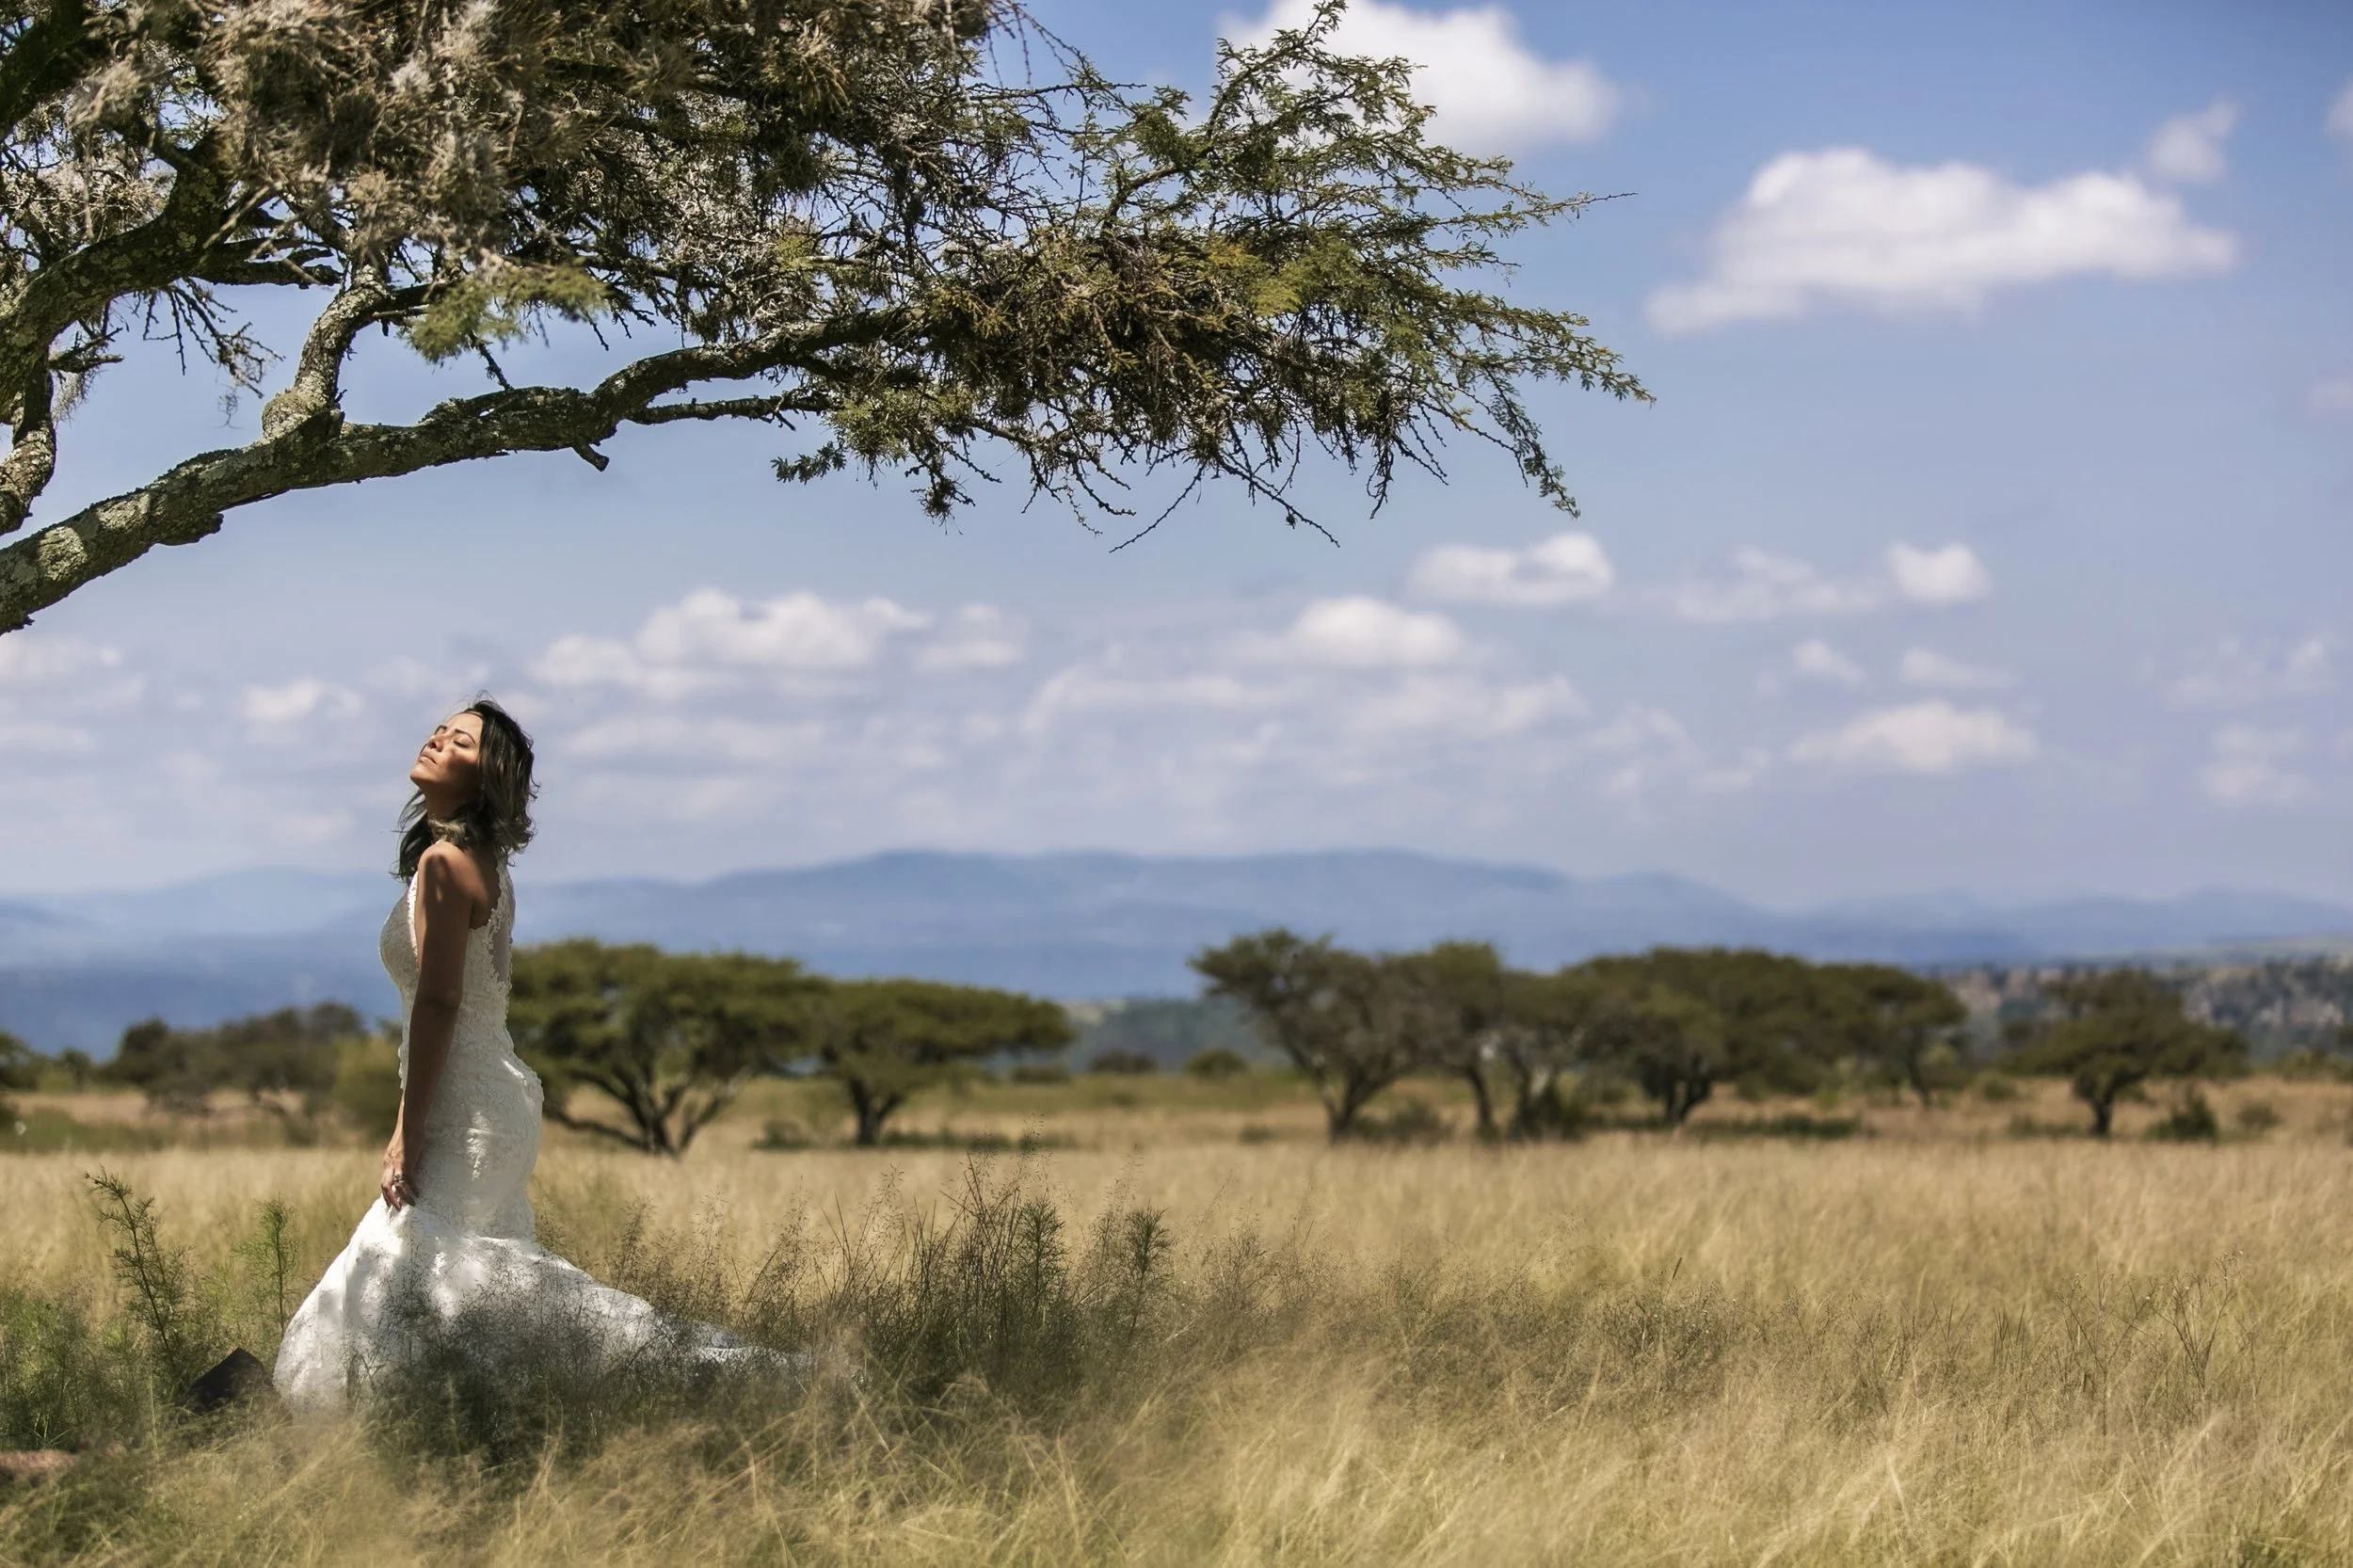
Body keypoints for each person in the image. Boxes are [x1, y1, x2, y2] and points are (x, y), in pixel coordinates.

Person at [275, 698, 764, 1415]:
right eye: (440, 728)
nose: (438, 737)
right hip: (490, 1105)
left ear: (486, 776)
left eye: (461, 740)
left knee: (405, 1273)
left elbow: (440, 1003)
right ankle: (503, 1416)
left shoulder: (447, 864)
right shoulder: (480, 863)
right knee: (462, 1289)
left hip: (463, 1113)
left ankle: (685, 1379)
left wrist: (405, 1133)